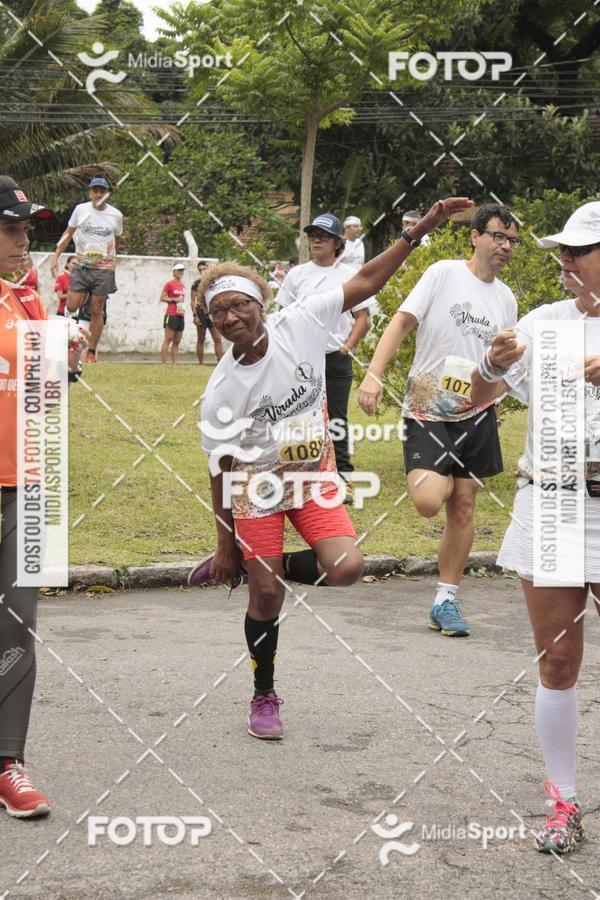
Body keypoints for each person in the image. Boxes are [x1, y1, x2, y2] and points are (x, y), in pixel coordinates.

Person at [188, 196, 472, 741]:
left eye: (238, 306)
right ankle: (264, 690)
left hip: (313, 473)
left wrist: (423, 229)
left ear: (260, 304)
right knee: (267, 597)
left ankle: (260, 566)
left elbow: (366, 280)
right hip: (257, 483)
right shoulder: (222, 389)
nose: (230, 318)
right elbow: (220, 469)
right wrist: (225, 543)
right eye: (218, 312)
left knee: (345, 568)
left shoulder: (303, 321)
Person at [470, 200, 600, 855]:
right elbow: (476, 393)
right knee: (557, 662)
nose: (566, 260)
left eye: (581, 249)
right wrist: (492, 364)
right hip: (552, 508)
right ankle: (563, 802)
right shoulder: (543, 323)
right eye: (563, 251)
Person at [357, 204, 520, 637]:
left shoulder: (506, 298)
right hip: (430, 401)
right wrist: (374, 375)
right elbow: (402, 322)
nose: (505, 246)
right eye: (498, 236)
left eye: (512, 240)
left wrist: (496, 399)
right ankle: (441, 473)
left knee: (464, 505)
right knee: (430, 502)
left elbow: (501, 361)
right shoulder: (443, 273)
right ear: (475, 236)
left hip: (478, 410)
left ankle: (445, 599)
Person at [0, 174, 86, 818]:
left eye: (26, 228)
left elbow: (44, 397)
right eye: (11, 229)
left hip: (26, 487)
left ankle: (9, 763)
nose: (24, 239)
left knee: (16, 631)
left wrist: (63, 356)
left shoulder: (29, 300)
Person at [277, 213, 373, 496]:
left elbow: (363, 319)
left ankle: (343, 477)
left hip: (335, 358)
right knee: (297, 414)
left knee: (336, 418)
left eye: (323, 236)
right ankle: (297, 476)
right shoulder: (297, 275)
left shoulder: (349, 275)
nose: (316, 240)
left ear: (337, 243)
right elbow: (283, 316)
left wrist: (346, 348)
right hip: (302, 358)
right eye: (312, 236)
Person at [50, 175, 123, 363]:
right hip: (82, 265)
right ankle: (69, 336)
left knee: (97, 308)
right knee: (72, 305)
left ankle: (91, 350)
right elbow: (68, 233)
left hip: (104, 267)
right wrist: (56, 255)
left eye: (102, 191)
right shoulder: (80, 210)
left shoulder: (115, 215)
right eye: (95, 190)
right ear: (90, 192)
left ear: (106, 194)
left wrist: (114, 259)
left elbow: (118, 238)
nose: (98, 194)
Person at [191, 261, 223, 364]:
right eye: (200, 269)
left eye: (204, 268)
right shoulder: (196, 284)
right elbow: (192, 301)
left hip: (213, 312)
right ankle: (201, 363)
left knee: (217, 338)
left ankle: (220, 362)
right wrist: (195, 315)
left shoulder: (214, 282)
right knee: (201, 338)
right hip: (201, 312)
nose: (203, 271)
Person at [160, 263, 187, 365]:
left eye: (182, 270)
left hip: (181, 314)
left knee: (177, 341)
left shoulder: (183, 285)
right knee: (168, 339)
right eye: (179, 270)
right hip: (171, 314)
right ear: (174, 272)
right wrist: (174, 299)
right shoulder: (169, 284)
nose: (181, 272)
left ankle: (174, 364)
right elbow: (162, 297)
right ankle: (164, 364)